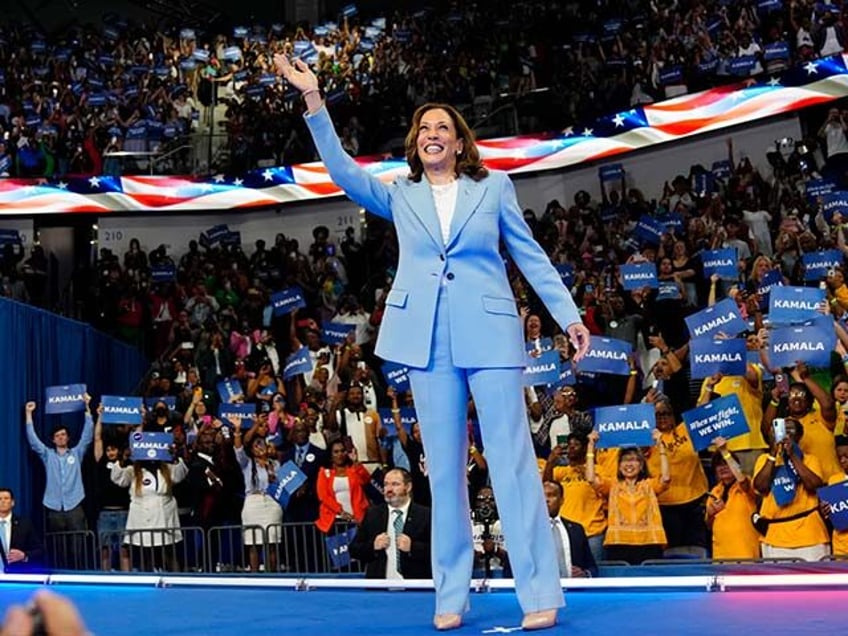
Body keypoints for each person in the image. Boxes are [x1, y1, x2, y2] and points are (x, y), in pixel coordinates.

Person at [274, 54, 590, 632]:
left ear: (461, 141)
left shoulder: (494, 186)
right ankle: (450, 596)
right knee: (442, 474)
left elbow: (529, 254)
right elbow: (343, 171)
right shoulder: (400, 195)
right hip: (426, 342)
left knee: (513, 465)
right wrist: (315, 100)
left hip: (491, 334)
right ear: (415, 144)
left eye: (443, 127)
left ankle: (539, 593)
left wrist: (567, 315)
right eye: (423, 129)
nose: (432, 134)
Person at [25, 397, 94, 570]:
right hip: (54, 506)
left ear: (68, 437)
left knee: (78, 545)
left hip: (75, 504)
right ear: (53, 440)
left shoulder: (77, 452)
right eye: (57, 436)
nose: (61, 437)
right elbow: (33, 441)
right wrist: (28, 414)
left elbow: (87, 434)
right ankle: (60, 574)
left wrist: (87, 407)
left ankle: (79, 575)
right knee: (58, 546)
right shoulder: (48, 455)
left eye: (63, 434)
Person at [349, 468, 432, 579]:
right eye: (386, 484)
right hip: (381, 588)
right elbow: (354, 549)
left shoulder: (425, 515)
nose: (389, 489)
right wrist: (373, 546)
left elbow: (438, 551)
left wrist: (413, 547)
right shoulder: (373, 514)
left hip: (415, 587)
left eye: (395, 484)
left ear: (408, 487)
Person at [542, 481, 598, 578]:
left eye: (551, 495)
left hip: (574, 590)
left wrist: (585, 574)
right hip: (539, 591)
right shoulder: (528, 531)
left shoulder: (576, 530)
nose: (546, 500)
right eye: (541, 496)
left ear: (561, 500)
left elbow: (592, 567)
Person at [0, 488, 44, 572]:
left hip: (18, 574)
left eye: (6, 498)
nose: (2, 501)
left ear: (12, 502)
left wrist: (24, 556)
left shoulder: (25, 525)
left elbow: (39, 550)